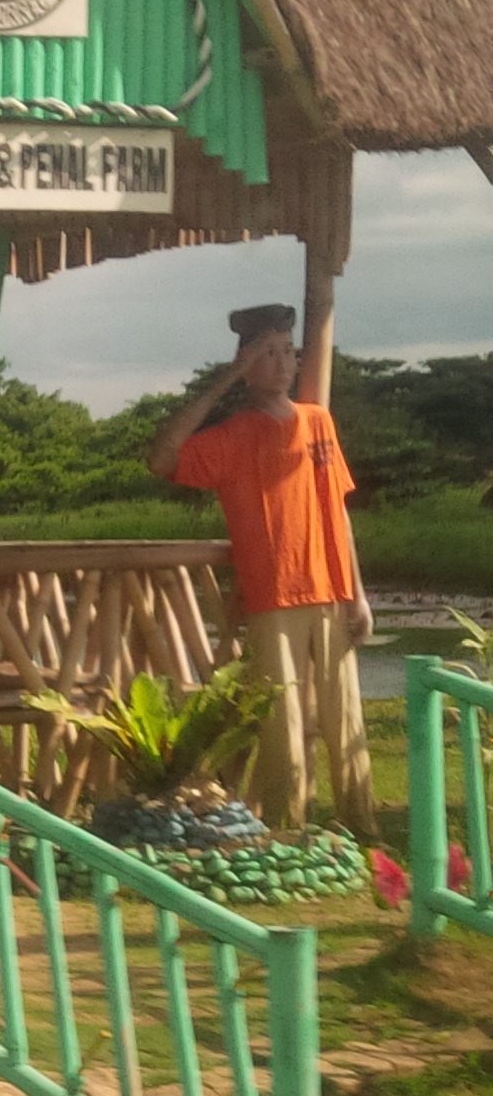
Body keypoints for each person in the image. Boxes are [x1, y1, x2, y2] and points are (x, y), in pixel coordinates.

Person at [147, 302, 373, 836]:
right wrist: (223, 380)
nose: (279, 363)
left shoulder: (319, 423)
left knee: (347, 718)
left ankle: (363, 830)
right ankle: (289, 827)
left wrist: (359, 594)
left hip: (333, 591)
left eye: (286, 352)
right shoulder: (231, 436)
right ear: (246, 365)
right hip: (273, 595)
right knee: (283, 721)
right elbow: (162, 458)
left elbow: (337, 510)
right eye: (265, 353)